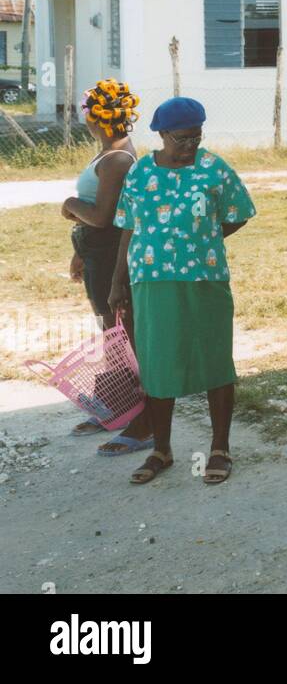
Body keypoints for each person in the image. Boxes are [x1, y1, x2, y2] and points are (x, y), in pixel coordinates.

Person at [107, 97, 256, 485]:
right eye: (182, 138)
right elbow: (128, 227)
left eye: (196, 137)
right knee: (158, 364)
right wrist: (117, 281)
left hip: (205, 279)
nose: (190, 145)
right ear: (161, 134)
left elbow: (238, 213)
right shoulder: (140, 173)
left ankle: (220, 448)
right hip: (151, 282)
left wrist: (203, 239)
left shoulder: (213, 169)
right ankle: (162, 449)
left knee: (215, 359)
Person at [60, 78, 154, 455]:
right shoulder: (110, 152)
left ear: (93, 117)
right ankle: (115, 406)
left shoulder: (117, 159)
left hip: (112, 252)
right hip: (97, 250)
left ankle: (142, 421)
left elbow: (102, 217)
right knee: (111, 330)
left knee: (123, 333)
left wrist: (69, 204)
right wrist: (80, 249)